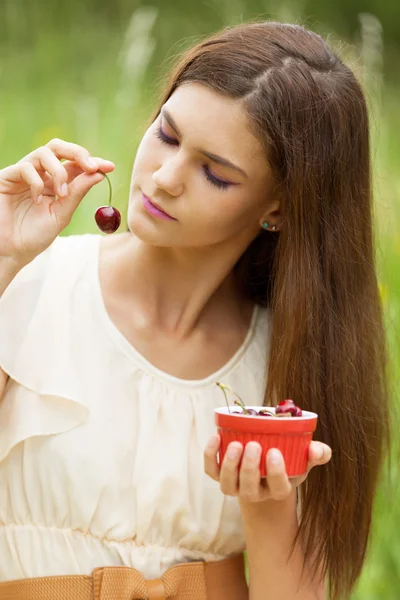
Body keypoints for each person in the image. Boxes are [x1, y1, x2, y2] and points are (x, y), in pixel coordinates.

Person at [0, 18, 391, 600]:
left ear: (278, 207)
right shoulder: (34, 286)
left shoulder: (290, 365)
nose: (164, 177)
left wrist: (267, 507)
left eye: (214, 172)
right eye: (167, 133)